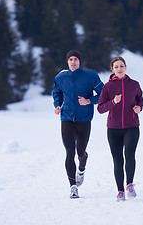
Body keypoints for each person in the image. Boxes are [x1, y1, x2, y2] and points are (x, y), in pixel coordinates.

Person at [53, 50, 104, 198]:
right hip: (67, 118)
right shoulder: (60, 77)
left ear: (79, 62)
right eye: (70, 60)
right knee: (70, 151)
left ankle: (82, 168)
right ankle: (73, 187)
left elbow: (103, 94)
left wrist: (89, 101)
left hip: (84, 118)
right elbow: (57, 92)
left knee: (80, 152)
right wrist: (57, 105)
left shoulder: (91, 76)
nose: (73, 62)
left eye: (75, 59)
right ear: (67, 62)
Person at [97, 56, 143, 202]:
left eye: (121, 66)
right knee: (117, 160)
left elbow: (140, 98)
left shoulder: (134, 84)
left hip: (132, 126)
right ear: (112, 69)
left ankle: (129, 184)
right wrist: (113, 102)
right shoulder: (107, 87)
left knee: (130, 154)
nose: (119, 69)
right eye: (116, 67)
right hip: (113, 129)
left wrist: (139, 107)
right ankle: (120, 191)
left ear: (125, 67)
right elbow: (100, 108)